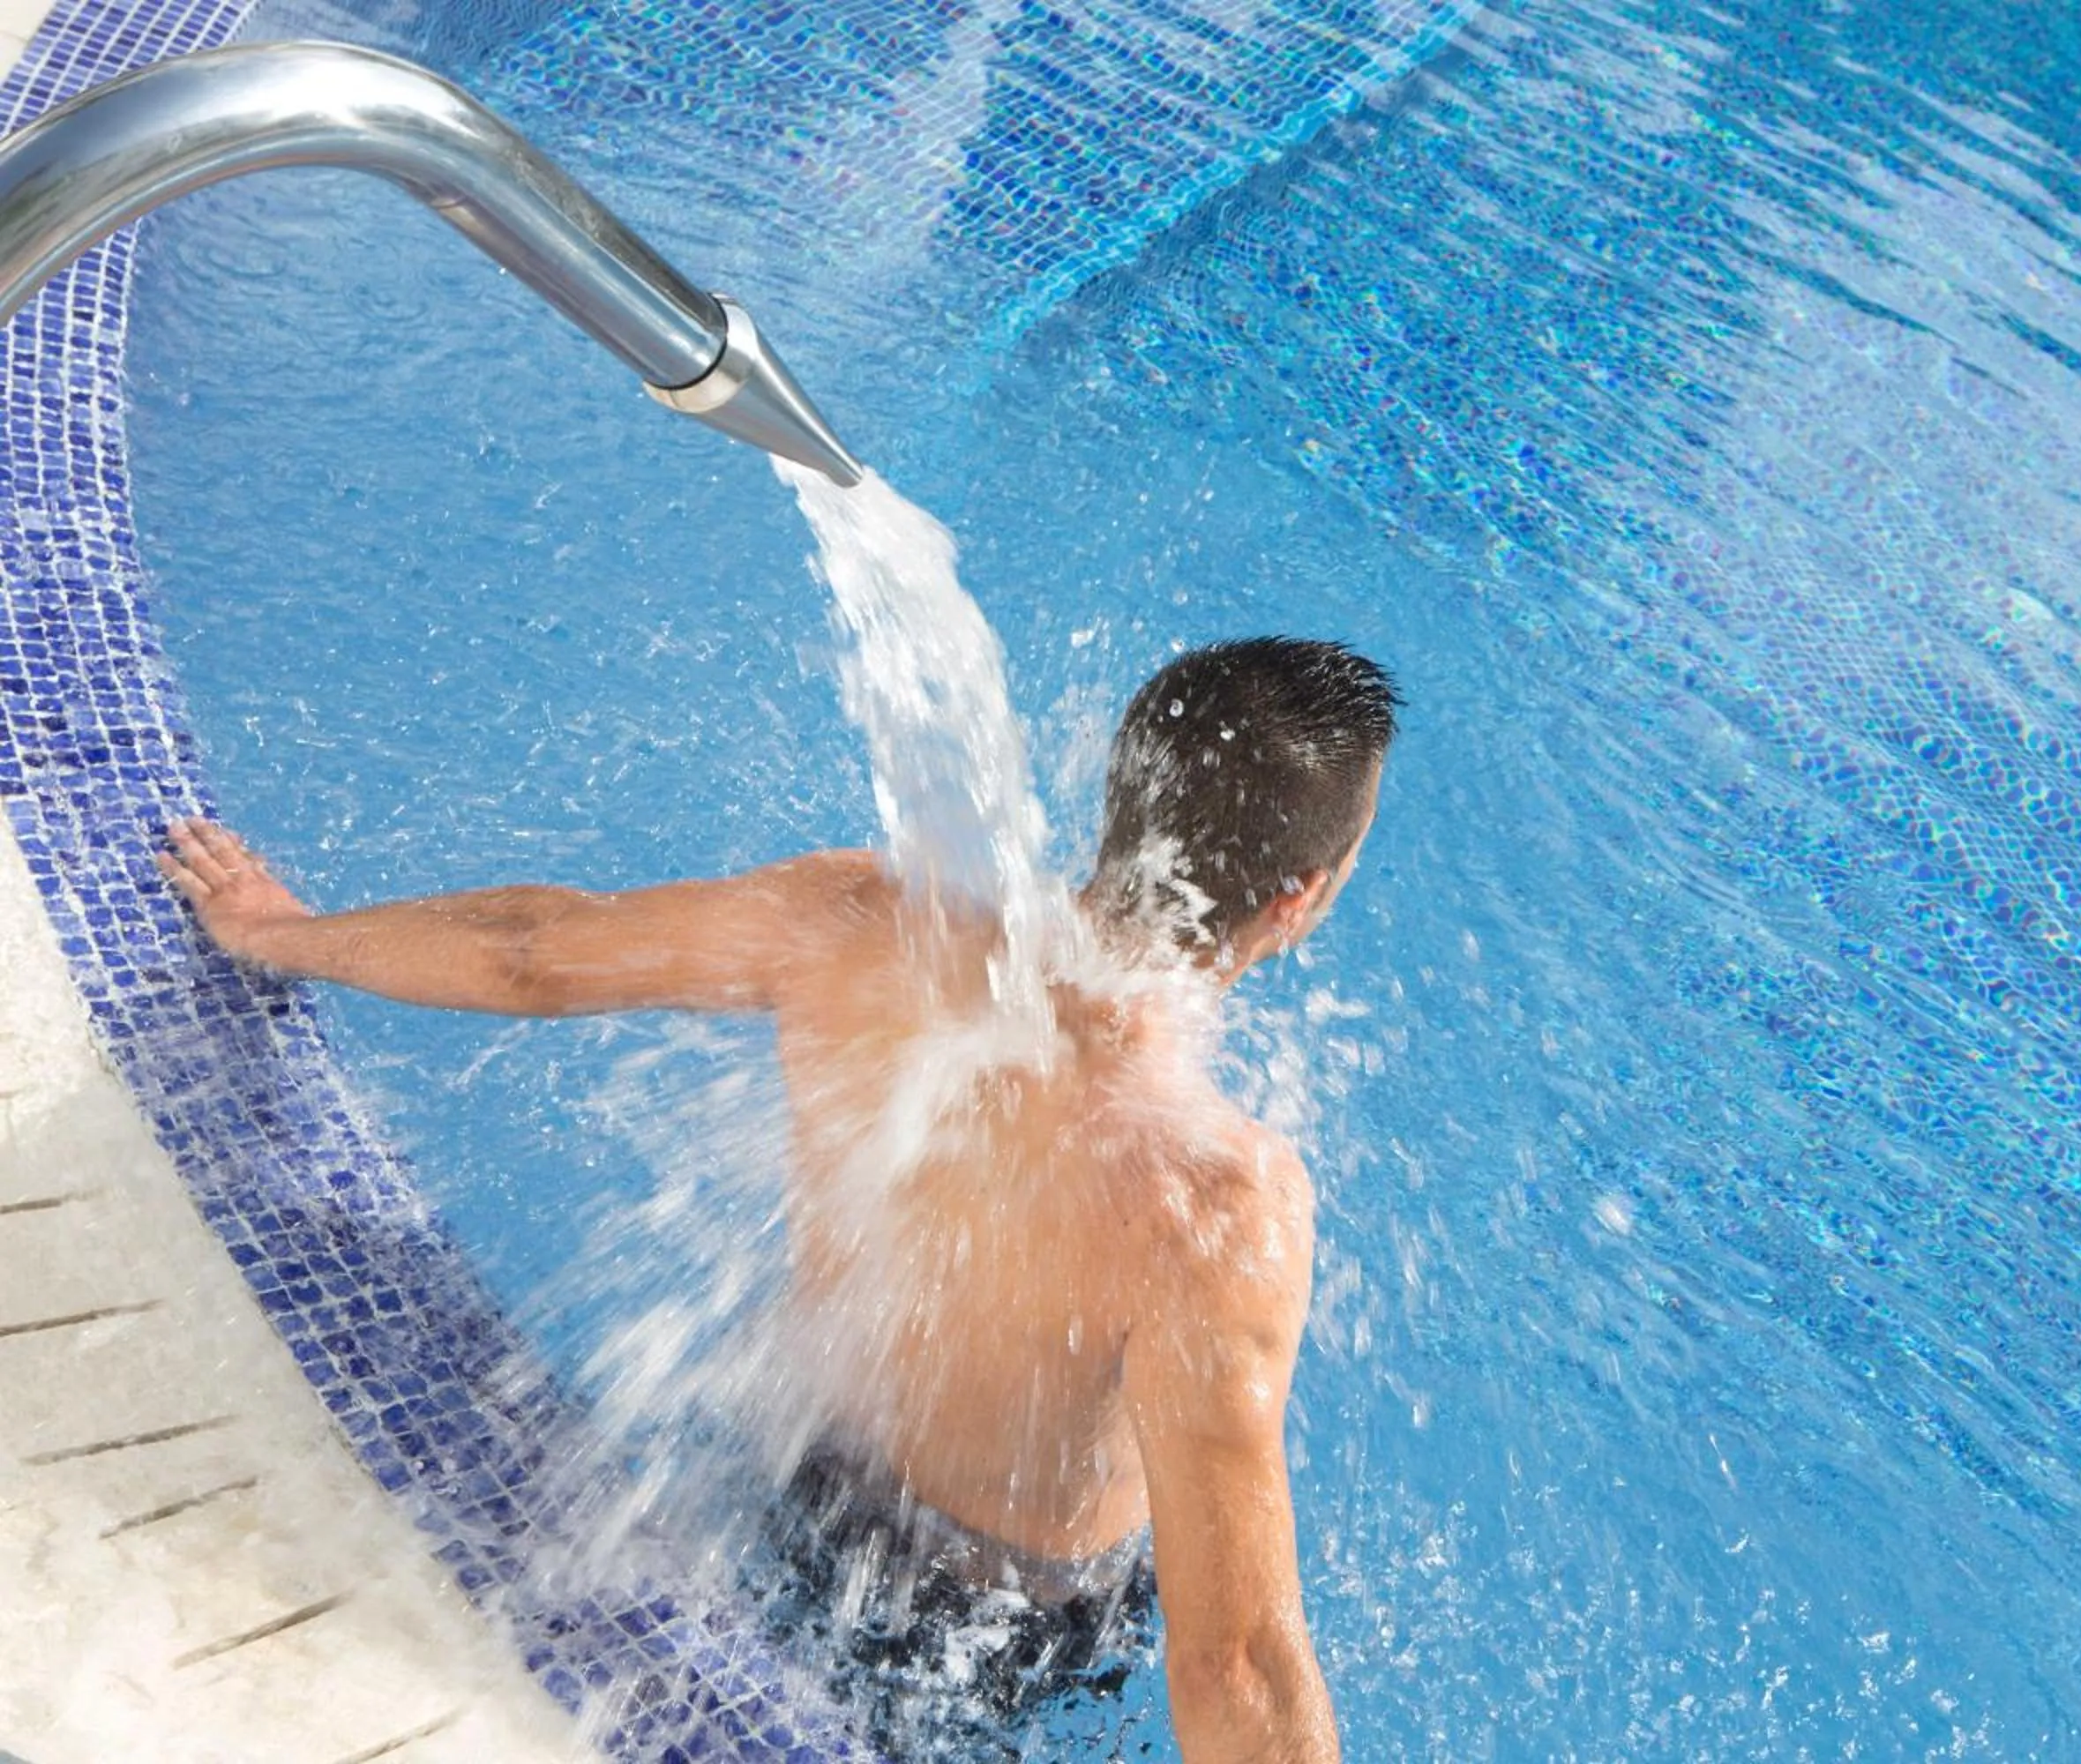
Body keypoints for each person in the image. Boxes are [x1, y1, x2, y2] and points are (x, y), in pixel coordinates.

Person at [160, 636, 1398, 1764]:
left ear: (1123, 787)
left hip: (805, 1478)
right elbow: (1233, 1665)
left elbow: (533, 953)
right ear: (1301, 896)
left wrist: (285, 933)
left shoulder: (859, 921)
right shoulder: (1217, 1208)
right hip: (980, 1628)